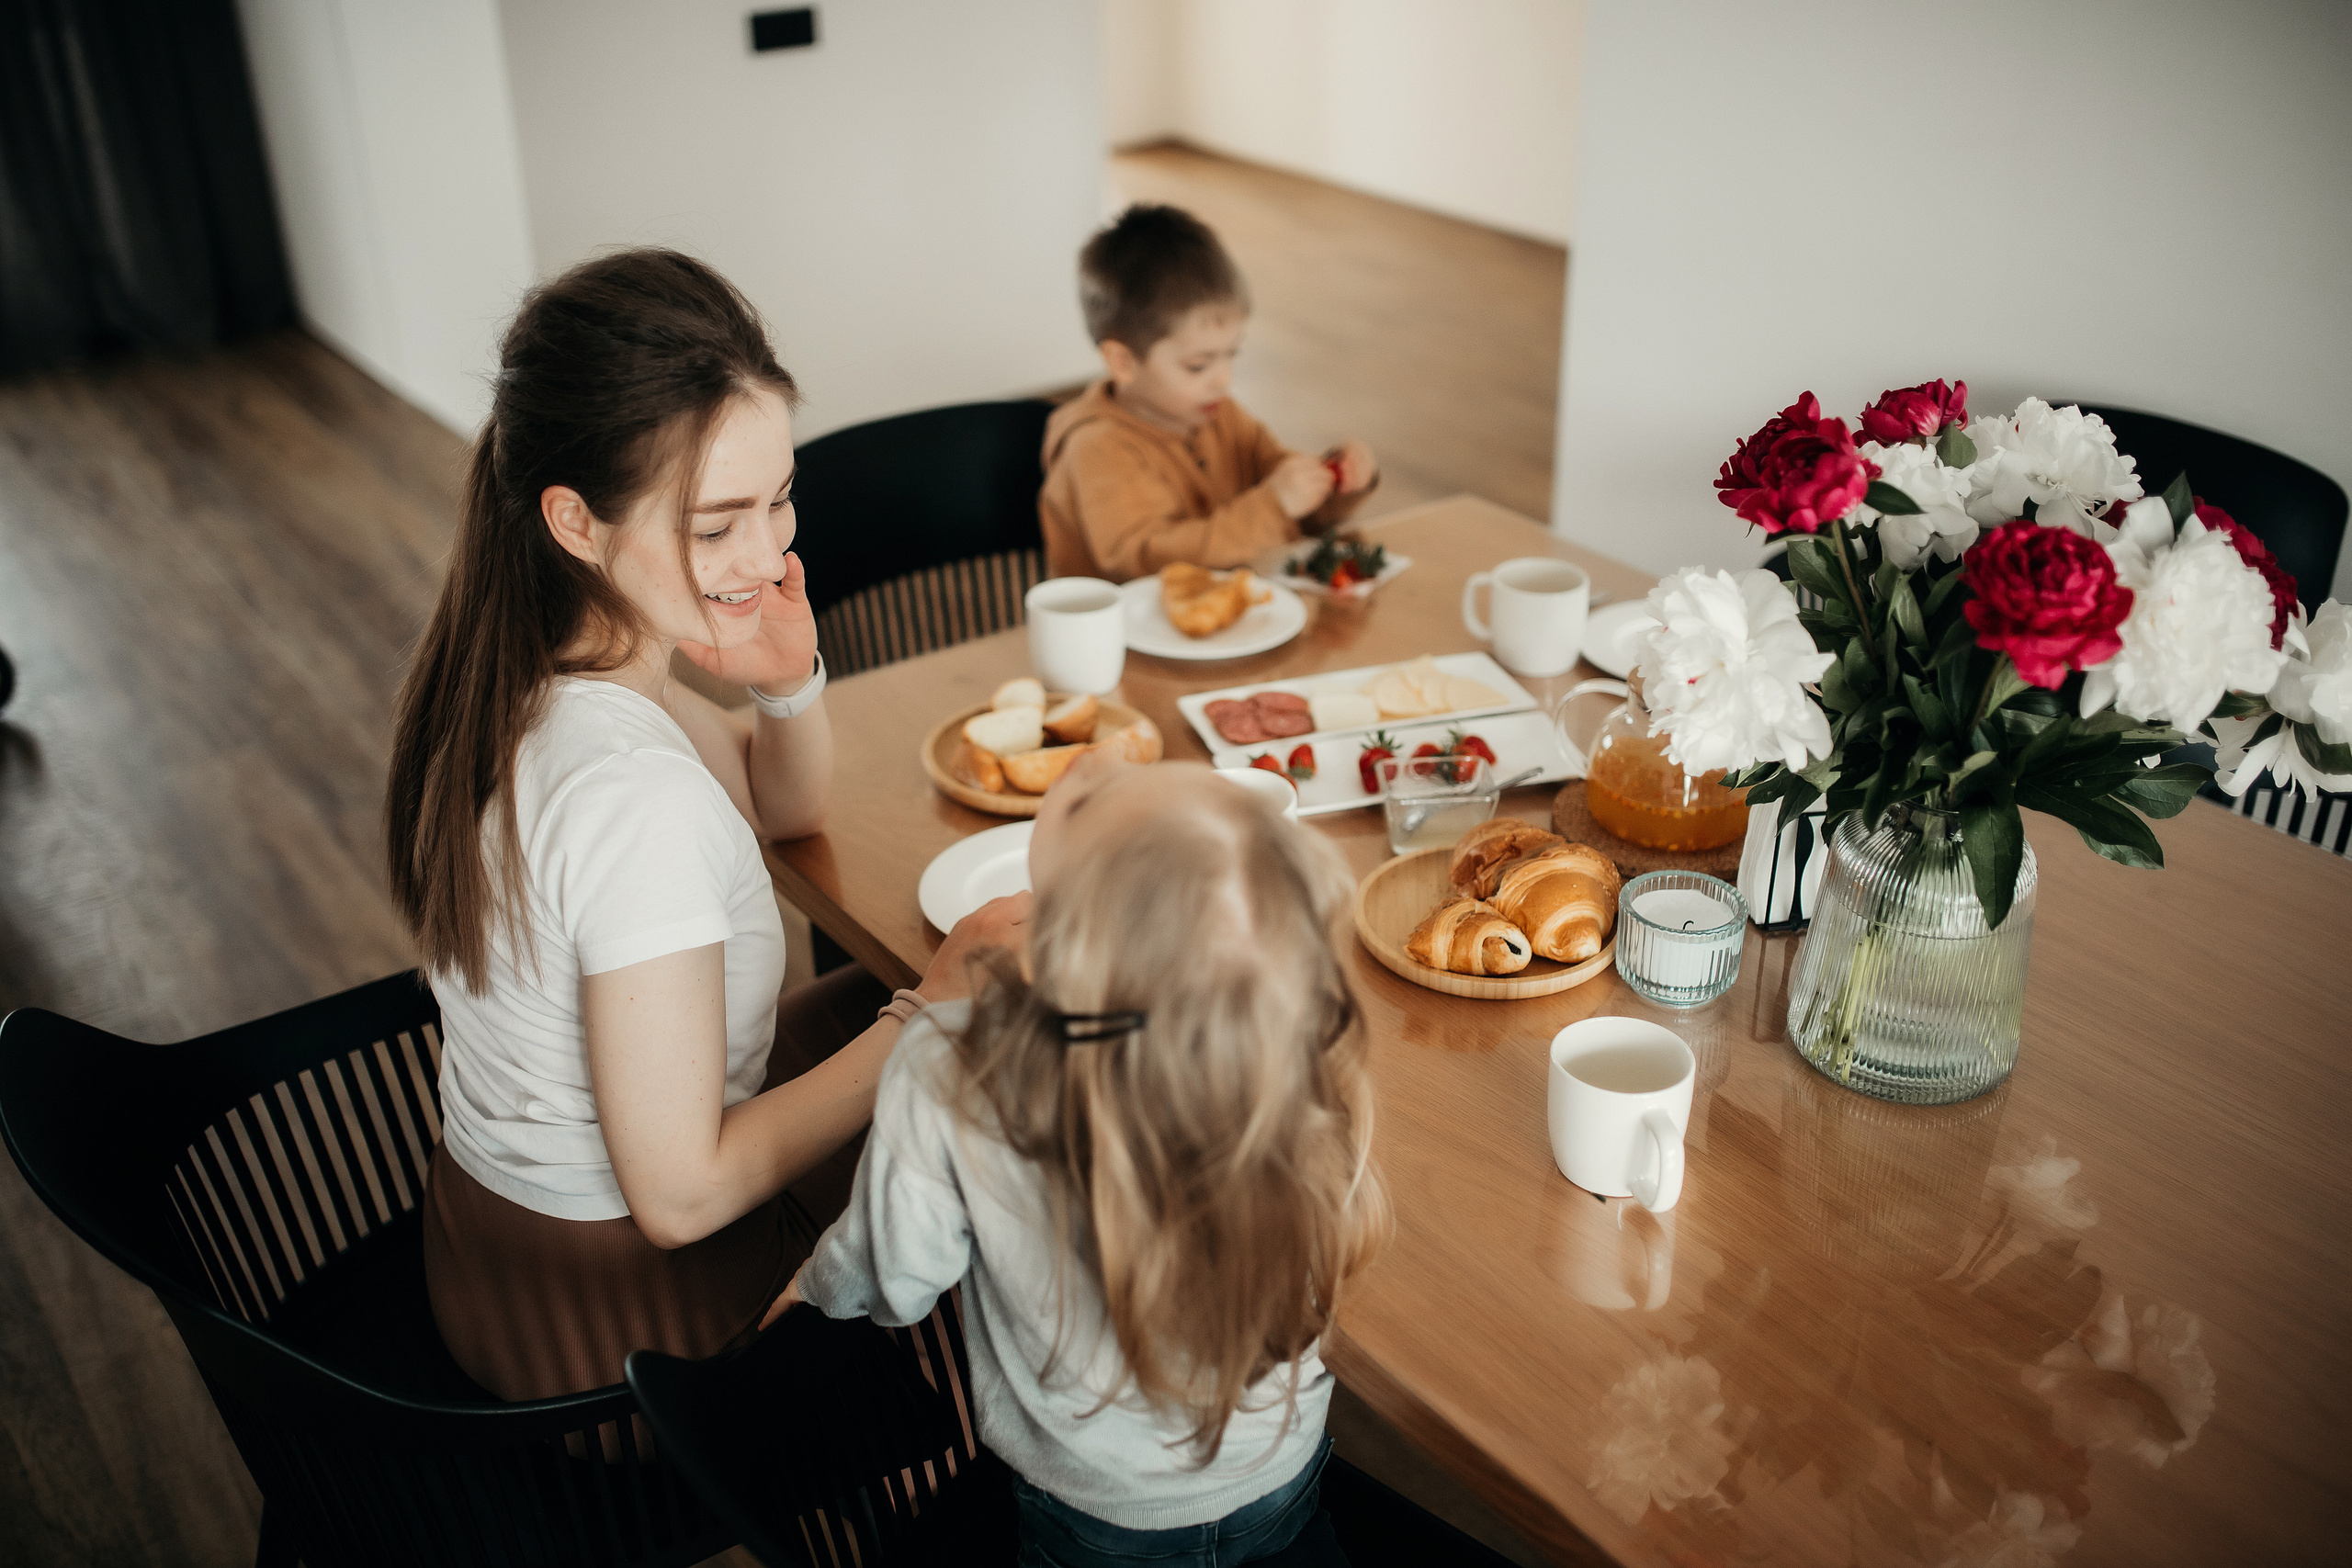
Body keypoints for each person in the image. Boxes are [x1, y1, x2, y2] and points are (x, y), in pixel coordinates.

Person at [383, 247, 1024, 1399]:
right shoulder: (633, 802)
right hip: (622, 1332)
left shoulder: (535, 667)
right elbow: (678, 1202)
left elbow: (782, 805)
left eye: (778, 501)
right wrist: (931, 1013)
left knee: (991, 1039)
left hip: (492, 1254)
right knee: (1039, 1150)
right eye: (717, 523)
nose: (769, 555)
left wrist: (785, 685)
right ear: (575, 521)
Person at [766, 755, 1390, 1567]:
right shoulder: (1290, 1048)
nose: (1101, 769)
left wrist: (808, 1291)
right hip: (1279, 1480)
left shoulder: (955, 1069)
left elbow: (896, 1274)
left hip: (1089, 1517)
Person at [1039, 204, 1380, 583]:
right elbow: (1148, 562)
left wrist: (1334, 484)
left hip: (1224, 623)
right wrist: (1274, 506)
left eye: (1232, 354)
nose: (1224, 379)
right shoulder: (1098, 448)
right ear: (1123, 362)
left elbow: (1279, 486)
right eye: (1198, 365)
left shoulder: (1218, 412)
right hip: (1128, 637)